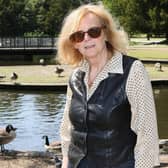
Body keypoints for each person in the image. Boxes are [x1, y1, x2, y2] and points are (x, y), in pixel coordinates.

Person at [58, 3, 160, 168]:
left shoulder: (133, 71)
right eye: (78, 35)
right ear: (74, 43)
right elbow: (67, 130)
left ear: (105, 33)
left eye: (93, 32)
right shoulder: (76, 76)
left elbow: (147, 137)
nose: (87, 39)